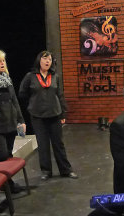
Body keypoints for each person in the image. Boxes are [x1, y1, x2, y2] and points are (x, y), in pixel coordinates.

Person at [18, 50, 78, 180]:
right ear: (39, 60)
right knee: (43, 144)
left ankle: (66, 170)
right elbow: (22, 93)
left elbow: (60, 95)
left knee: (58, 144)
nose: (47, 61)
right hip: (37, 116)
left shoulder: (55, 76)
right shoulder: (30, 76)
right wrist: (33, 103)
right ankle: (46, 171)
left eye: (49, 59)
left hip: (55, 115)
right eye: (45, 59)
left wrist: (63, 113)